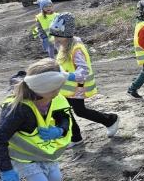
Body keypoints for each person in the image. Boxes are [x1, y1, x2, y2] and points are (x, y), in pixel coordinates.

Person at [49, 13, 120, 145]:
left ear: (67, 35)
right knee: (62, 109)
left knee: (80, 111)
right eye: (54, 35)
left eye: (58, 36)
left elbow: (84, 70)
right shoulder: (62, 45)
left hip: (78, 86)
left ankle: (110, 119)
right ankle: (75, 137)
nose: (55, 39)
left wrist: (67, 75)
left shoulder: (76, 49)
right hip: (66, 87)